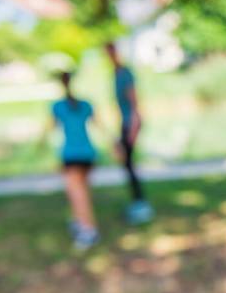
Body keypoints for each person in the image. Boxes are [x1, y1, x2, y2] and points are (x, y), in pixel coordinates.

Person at [46, 71, 100, 250]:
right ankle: (80, 222)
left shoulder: (59, 107)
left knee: (77, 195)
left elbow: (50, 129)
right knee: (82, 191)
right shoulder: (85, 104)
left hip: (71, 155)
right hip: (88, 153)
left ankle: (88, 229)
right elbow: (100, 125)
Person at [105, 42, 154, 224]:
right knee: (127, 165)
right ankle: (138, 202)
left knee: (129, 165)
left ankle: (141, 205)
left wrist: (133, 128)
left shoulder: (125, 74)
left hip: (130, 123)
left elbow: (134, 103)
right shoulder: (115, 74)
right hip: (124, 124)